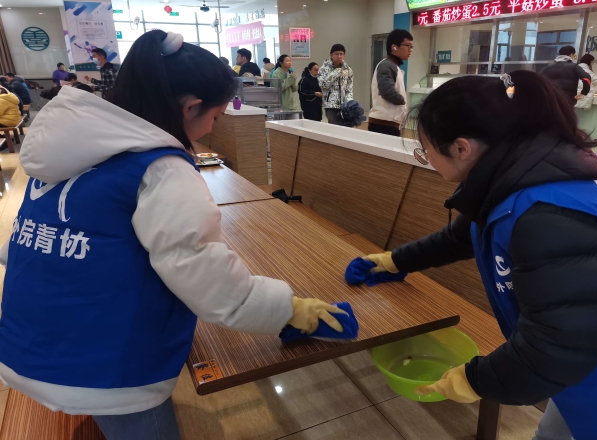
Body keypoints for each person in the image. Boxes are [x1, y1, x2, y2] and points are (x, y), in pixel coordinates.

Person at [0, 30, 345, 440]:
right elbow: (208, 280)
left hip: (29, 340)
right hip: (106, 367)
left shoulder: (67, 150)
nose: (213, 127)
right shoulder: (159, 168)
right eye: (216, 116)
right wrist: (287, 309)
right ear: (191, 107)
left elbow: (28, 243)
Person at [361, 71, 597, 440]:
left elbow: (558, 344)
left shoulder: (549, 214)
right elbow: (459, 237)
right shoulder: (513, 184)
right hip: (591, 354)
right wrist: (395, 261)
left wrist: (475, 379)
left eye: (425, 151)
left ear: (461, 148)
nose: (427, 160)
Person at [368, 29, 413, 137]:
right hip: (383, 124)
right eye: (407, 46)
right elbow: (387, 91)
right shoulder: (386, 65)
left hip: (389, 123)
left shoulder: (393, 66)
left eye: (411, 47)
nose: (410, 50)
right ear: (394, 47)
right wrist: (403, 101)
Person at [318, 44, 354, 125]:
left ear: (344, 56)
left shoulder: (348, 69)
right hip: (331, 105)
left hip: (345, 104)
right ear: (331, 55)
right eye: (336, 54)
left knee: (345, 127)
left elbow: (349, 88)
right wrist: (336, 72)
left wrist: (349, 102)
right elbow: (323, 85)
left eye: (341, 54)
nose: (339, 56)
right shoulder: (323, 69)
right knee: (333, 126)